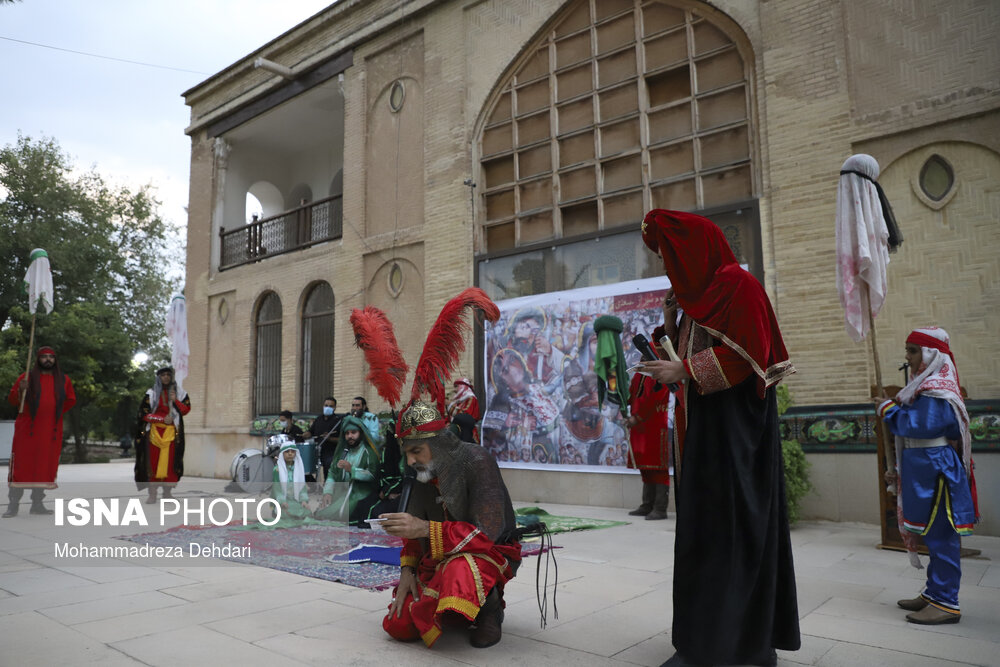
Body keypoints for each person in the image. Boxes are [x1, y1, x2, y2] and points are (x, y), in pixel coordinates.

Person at [639, 209, 800, 666]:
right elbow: (691, 352)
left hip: (733, 441)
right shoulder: (699, 297)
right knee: (703, 537)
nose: (667, 267)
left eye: (669, 255)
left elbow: (753, 356)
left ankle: (735, 646)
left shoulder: (737, 286)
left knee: (729, 537)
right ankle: (702, 641)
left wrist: (685, 369)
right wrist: (672, 327)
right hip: (703, 437)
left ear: (691, 249)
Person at [381, 400, 521, 649]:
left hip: (488, 552)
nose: (411, 461)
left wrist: (424, 528)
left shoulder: (477, 460)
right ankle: (455, 607)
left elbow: (487, 535)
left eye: (416, 451)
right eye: (407, 454)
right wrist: (407, 572)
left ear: (439, 444)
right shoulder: (423, 471)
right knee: (399, 624)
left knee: (460, 568)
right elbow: (413, 537)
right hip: (438, 554)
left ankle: (491, 608)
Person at [878, 327, 977, 625]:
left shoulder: (938, 389)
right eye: (907, 350)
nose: (907, 357)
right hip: (925, 467)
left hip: (937, 470)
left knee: (942, 536)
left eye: (912, 350)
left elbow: (917, 426)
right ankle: (935, 593)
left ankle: (947, 602)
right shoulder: (925, 386)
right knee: (934, 535)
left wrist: (886, 409)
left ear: (931, 355)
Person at [4, 346, 76, 517]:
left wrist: (53, 414)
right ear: (38, 359)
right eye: (44, 357)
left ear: (55, 360)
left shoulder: (64, 380)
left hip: (50, 430)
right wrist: (22, 389)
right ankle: (13, 505)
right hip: (27, 429)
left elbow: (70, 400)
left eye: (51, 357)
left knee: (43, 466)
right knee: (22, 466)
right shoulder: (26, 378)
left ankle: (37, 504)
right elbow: (13, 400)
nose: (48, 360)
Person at [626, 332, 673, 519]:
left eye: (647, 354)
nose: (643, 358)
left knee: (658, 467)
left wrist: (637, 417)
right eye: (642, 355)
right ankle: (647, 505)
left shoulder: (659, 374)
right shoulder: (639, 374)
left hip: (654, 425)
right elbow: (631, 394)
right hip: (639, 427)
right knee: (645, 466)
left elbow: (655, 399)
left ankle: (660, 508)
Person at [134, 367, 191, 504]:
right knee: (152, 463)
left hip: (172, 434)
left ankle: (167, 493)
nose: (165, 377)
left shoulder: (180, 393)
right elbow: (144, 414)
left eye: (168, 375)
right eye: (163, 375)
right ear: (158, 377)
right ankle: (152, 494)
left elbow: (186, 409)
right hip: (154, 433)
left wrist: (175, 400)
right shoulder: (151, 393)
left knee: (170, 463)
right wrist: (160, 419)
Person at [314, 415, 379, 525]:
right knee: (319, 514)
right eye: (347, 433)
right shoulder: (343, 452)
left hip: (360, 493)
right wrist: (328, 492)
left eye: (353, 432)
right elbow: (332, 473)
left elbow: (373, 475)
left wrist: (352, 470)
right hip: (341, 492)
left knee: (340, 517)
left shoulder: (368, 453)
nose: (350, 436)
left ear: (361, 434)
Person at [304, 396, 344, 478]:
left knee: (328, 466)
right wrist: (307, 434)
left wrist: (330, 438)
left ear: (335, 408)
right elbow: (311, 432)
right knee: (305, 465)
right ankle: (313, 485)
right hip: (317, 450)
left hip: (331, 452)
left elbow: (342, 440)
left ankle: (327, 487)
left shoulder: (338, 421)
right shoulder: (319, 419)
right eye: (326, 405)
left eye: (331, 406)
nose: (327, 408)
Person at [271, 440, 311, 521]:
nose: (290, 453)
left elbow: (302, 487)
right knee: (284, 513)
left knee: (307, 512)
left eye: (292, 451)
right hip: (283, 500)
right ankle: (276, 510)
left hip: (296, 500)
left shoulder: (298, 468)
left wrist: (303, 500)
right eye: (287, 451)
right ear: (282, 454)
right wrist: (282, 501)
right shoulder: (277, 470)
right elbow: (277, 488)